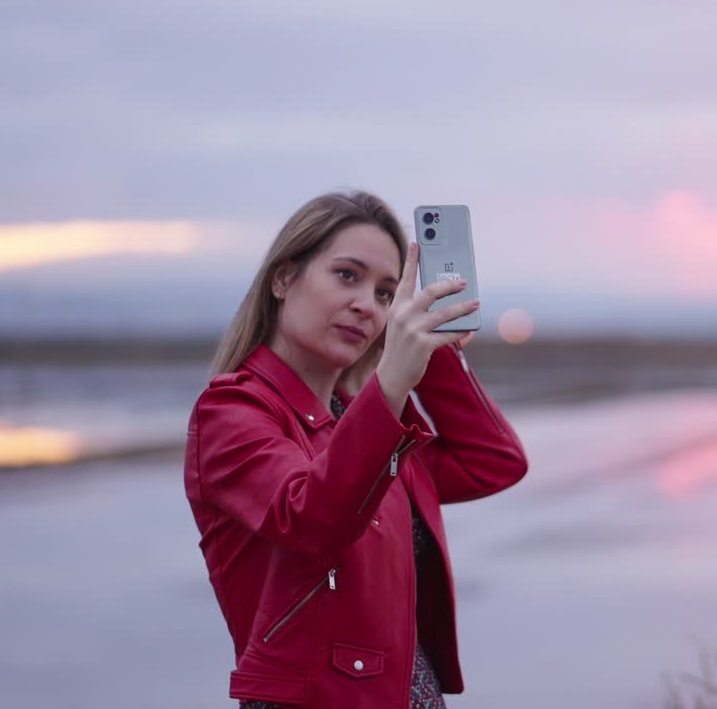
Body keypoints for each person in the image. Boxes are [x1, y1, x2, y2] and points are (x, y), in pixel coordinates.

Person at [184, 190, 529, 708]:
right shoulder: (232, 413)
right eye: (347, 275)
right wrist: (391, 384)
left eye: (387, 294)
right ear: (283, 278)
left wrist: (428, 350)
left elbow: (491, 462)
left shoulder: (360, 420)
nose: (367, 305)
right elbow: (311, 519)